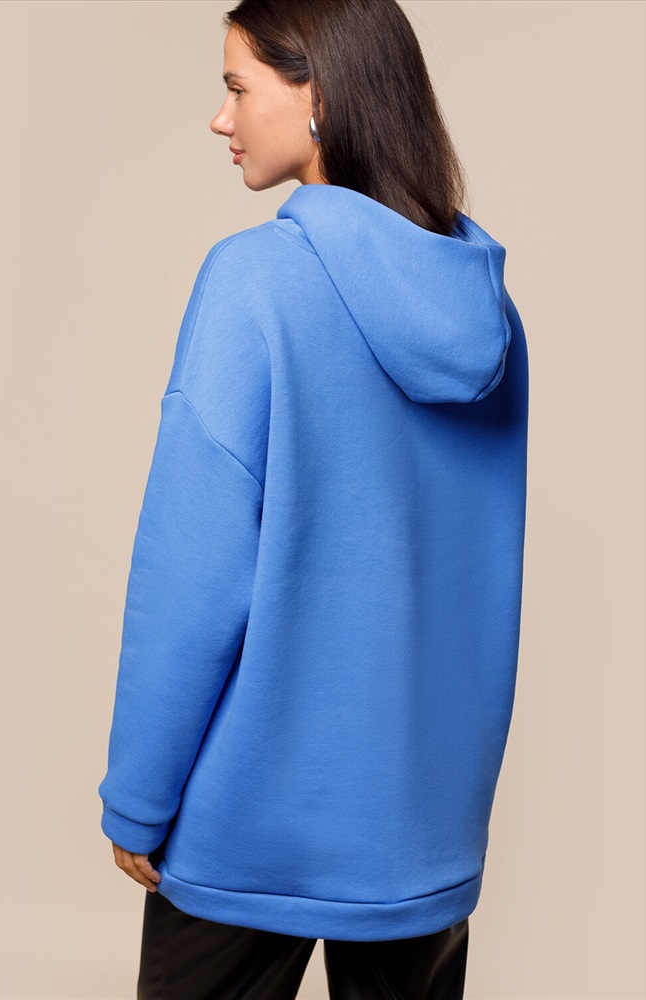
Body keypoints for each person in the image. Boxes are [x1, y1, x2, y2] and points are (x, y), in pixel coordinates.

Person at [97, 0, 528, 997]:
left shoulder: (253, 283)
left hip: (251, 826)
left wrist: (138, 797)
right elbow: (479, 577)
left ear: (319, 96)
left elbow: (191, 574)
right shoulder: (490, 316)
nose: (221, 118)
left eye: (237, 88)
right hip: (421, 834)